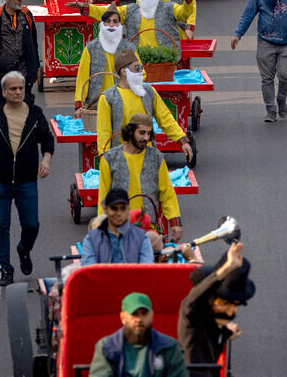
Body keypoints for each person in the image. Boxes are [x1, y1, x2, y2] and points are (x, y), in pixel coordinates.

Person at [0, 71, 55, 286]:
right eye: (13, 89)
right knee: (1, 226)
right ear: (4, 91)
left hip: (27, 180)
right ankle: (6, 270)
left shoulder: (35, 114)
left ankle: (23, 249)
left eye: (21, 88)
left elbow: (47, 140)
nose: (18, 92)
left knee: (32, 224)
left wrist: (45, 161)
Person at [96, 50, 194, 164]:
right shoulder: (107, 98)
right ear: (124, 71)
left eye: (141, 67)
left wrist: (182, 140)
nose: (141, 71)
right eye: (137, 68)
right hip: (120, 159)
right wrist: (104, 158)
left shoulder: (149, 91)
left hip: (148, 156)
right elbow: (104, 132)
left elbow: (165, 118)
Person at [98, 114, 183, 241]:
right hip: (118, 227)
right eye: (142, 133)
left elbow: (167, 193)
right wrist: (101, 226)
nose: (146, 138)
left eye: (149, 134)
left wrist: (175, 222)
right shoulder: (109, 159)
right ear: (131, 132)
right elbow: (104, 196)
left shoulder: (156, 157)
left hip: (149, 227)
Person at [178, 242, 255, 376]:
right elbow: (194, 299)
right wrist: (226, 269)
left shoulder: (214, 324)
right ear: (210, 298)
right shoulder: (192, 315)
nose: (231, 311)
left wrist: (225, 334)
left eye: (235, 305)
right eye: (224, 303)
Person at [79, 0, 195, 60]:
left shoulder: (169, 7)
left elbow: (184, 13)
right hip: (138, 61)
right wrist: (86, 8)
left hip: (165, 60)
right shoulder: (131, 10)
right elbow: (108, 12)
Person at [89, 292, 189, 377]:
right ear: (123, 317)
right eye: (134, 314)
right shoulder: (106, 347)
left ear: (152, 316)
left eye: (144, 313)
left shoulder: (169, 346)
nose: (139, 319)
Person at [74, 4, 132, 112]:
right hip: (96, 105)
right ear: (103, 24)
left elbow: (140, 74)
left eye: (115, 21)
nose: (111, 25)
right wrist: (79, 104)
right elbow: (83, 77)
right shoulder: (91, 48)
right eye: (108, 21)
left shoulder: (129, 48)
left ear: (120, 24)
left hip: (122, 103)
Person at [81, 188, 155, 265]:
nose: (119, 213)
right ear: (105, 209)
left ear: (128, 209)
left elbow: (146, 269)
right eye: (114, 208)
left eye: (123, 208)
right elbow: (89, 270)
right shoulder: (91, 239)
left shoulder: (141, 237)